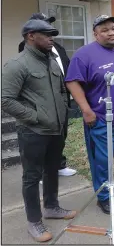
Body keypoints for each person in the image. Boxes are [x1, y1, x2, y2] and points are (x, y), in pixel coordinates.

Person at [2, 19, 77, 242]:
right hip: (33, 131)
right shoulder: (18, 64)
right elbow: (5, 99)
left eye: (52, 34)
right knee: (32, 176)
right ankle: (34, 221)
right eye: (46, 34)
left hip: (56, 128)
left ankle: (52, 207)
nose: (51, 38)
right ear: (31, 36)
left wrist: (63, 113)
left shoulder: (53, 60)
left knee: (52, 169)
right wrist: (35, 117)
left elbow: (62, 91)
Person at [64, 15, 114, 215]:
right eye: (105, 30)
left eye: (113, 28)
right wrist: (86, 110)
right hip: (102, 121)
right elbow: (72, 82)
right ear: (96, 34)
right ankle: (104, 196)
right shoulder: (84, 55)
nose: (111, 33)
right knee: (102, 162)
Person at [18, 12, 77, 177]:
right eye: (44, 25)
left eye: (50, 25)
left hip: (62, 99)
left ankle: (58, 165)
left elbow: (67, 69)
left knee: (60, 134)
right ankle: (41, 171)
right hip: (42, 99)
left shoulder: (58, 48)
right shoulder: (27, 47)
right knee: (42, 137)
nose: (48, 29)